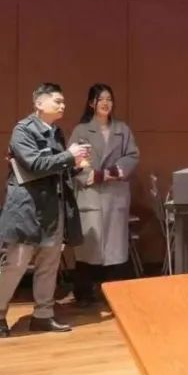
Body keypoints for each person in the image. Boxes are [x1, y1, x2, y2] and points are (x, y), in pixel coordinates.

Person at [0, 83, 88, 338]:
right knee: (16, 264)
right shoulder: (22, 130)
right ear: (39, 104)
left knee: (49, 264)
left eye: (63, 101)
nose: (63, 105)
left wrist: (75, 164)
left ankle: (43, 315)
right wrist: (68, 156)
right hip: (27, 208)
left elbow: (55, 168)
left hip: (53, 208)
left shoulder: (56, 132)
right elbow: (34, 164)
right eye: (57, 101)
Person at [68, 83, 140, 307]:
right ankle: (84, 293)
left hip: (115, 194)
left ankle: (115, 293)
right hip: (90, 194)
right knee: (89, 245)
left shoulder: (122, 129)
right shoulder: (81, 130)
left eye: (109, 99)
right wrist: (91, 175)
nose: (106, 103)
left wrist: (110, 172)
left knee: (115, 247)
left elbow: (132, 156)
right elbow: (73, 161)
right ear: (92, 103)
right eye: (101, 99)